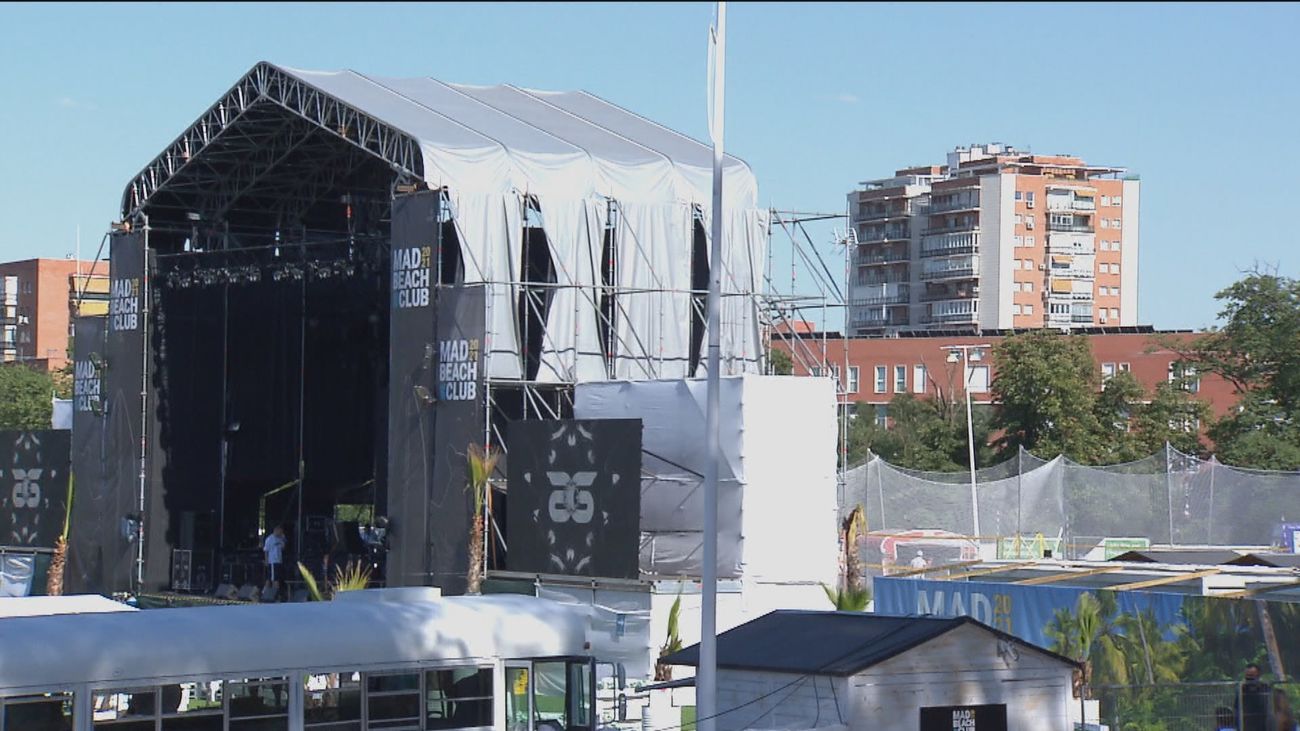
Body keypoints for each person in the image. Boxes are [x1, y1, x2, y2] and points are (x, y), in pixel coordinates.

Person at [1235, 663, 1273, 731]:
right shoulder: (1241, 689)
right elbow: (1237, 707)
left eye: (1252, 676)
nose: (1249, 679)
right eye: (1247, 676)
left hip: (1263, 725)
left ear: (1258, 675)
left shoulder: (1265, 688)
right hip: (1246, 726)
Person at [262, 525, 287, 602]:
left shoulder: (280, 539)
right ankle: (274, 595)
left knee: (272, 578)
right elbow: (266, 550)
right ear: (276, 530)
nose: (281, 532)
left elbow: (283, 547)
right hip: (272, 561)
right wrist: (266, 560)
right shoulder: (270, 539)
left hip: (279, 561)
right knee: (274, 579)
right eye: (280, 531)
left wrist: (283, 538)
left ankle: (265, 593)